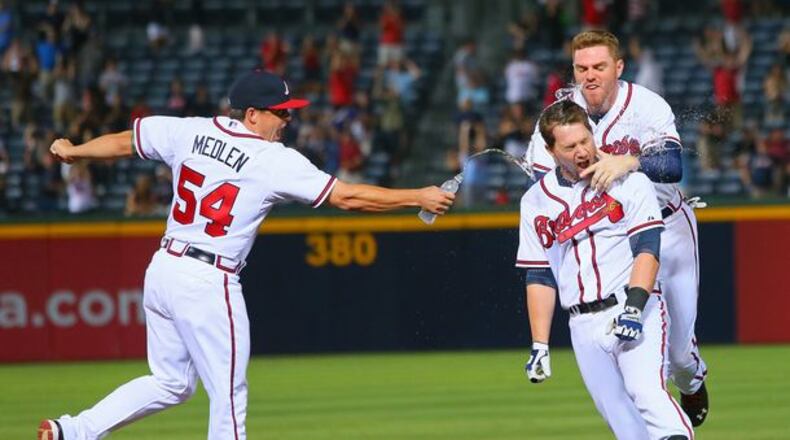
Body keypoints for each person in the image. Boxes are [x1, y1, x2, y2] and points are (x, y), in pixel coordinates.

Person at [40, 69, 455, 440]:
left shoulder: (189, 130)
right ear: (252, 114)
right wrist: (416, 195)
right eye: (281, 112)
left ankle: (74, 430)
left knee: (170, 382)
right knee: (228, 396)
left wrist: (76, 151)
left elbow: (125, 141)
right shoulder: (270, 159)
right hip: (208, 279)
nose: (288, 120)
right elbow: (345, 197)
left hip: (164, 269)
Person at [524, 30, 709, 426]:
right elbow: (540, 191)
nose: (589, 75)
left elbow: (673, 167)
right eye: (581, 68)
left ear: (618, 68)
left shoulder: (645, 104)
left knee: (678, 354)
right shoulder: (559, 118)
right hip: (609, 239)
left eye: (599, 67)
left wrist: (630, 161)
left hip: (667, 227)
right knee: (637, 378)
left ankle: (691, 382)